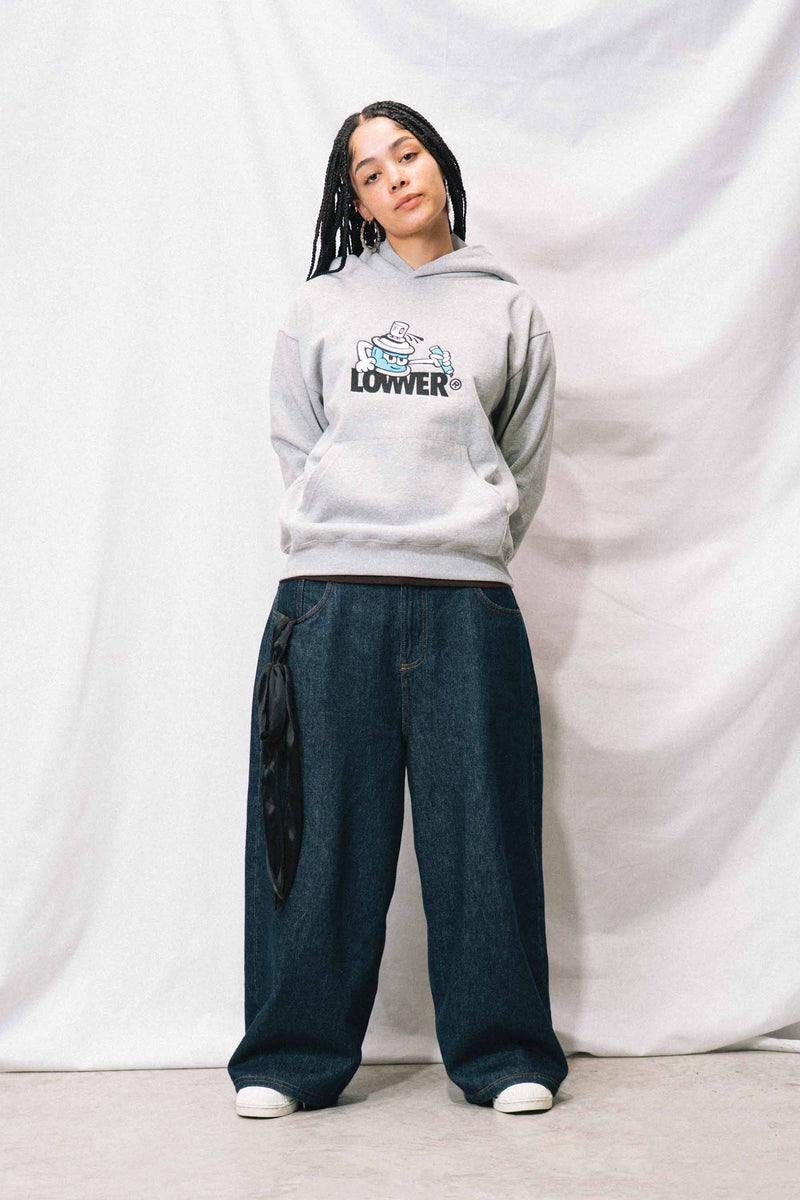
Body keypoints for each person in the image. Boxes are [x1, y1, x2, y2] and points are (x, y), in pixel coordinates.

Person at [227, 100, 569, 1118]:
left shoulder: (508, 311)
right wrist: (343, 530)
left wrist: (467, 539)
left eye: (405, 155)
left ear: (438, 161)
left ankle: (504, 1053)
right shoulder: (320, 308)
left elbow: (524, 459)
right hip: (329, 604)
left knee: (483, 834)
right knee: (316, 839)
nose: (394, 179)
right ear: (357, 203)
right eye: (368, 174)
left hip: (466, 605)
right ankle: (289, 1059)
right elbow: (295, 445)